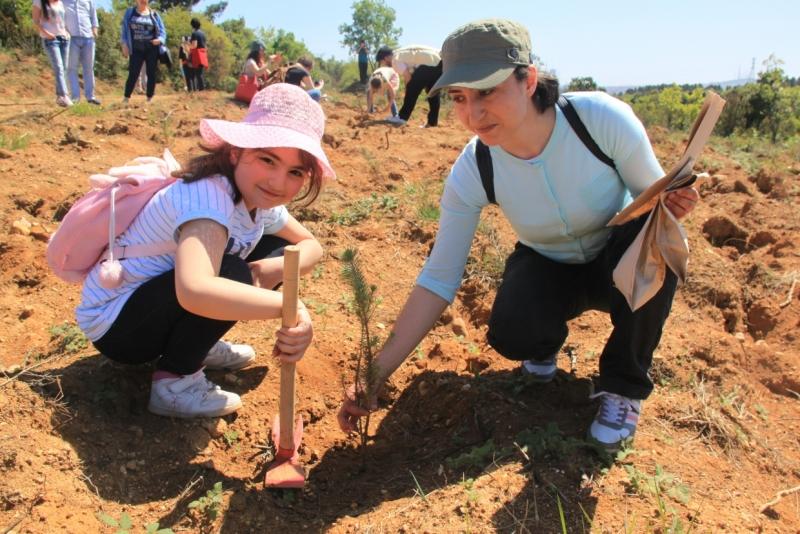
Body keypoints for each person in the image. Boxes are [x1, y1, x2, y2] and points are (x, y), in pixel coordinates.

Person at [338, 19, 700, 452]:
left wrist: (673, 204)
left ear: (528, 80)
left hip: (615, 264)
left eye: (487, 91)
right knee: (511, 333)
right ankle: (541, 345)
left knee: (653, 235)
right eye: (459, 98)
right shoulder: (475, 168)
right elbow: (439, 278)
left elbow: (654, 202)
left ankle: (623, 388)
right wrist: (376, 374)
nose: (473, 114)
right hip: (549, 265)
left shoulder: (600, 121)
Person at [74, 84, 336, 418]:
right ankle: (175, 383)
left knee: (275, 251)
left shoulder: (259, 199)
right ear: (236, 152)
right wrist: (291, 307)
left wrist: (270, 271)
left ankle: (193, 343)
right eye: (267, 159)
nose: (278, 182)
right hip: (118, 326)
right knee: (232, 273)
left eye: (295, 172)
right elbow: (195, 289)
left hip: (152, 305)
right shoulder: (208, 197)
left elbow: (310, 246)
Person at [120, 0, 166, 103]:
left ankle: (149, 98)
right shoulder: (130, 12)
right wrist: (124, 44)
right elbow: (124, 30)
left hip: (151, 49)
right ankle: (126, 97)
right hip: (136, 49)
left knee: (151, 73)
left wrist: (160, 40)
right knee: (133, 73)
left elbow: (163, 31)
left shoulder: (154, 14)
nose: (143, 1)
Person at [32, 0, 72, 107]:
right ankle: (64, 95)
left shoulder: (60, 2)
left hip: (64, 39)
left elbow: (62, 20)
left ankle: (60, 97)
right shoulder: (39, 2)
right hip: (50, 40)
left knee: (64, 68)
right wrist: (46, 33)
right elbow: (35, 21)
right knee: (58, 67)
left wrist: (67, 32)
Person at [63, 0, 100, 105]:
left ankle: (90, 97)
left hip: (88, 38)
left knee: (89, 68)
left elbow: (93, 16)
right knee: (71, 69)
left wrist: (94, 31)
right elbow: (59, 16)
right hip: (71, 38)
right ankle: (75, 98)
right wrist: (64, 31)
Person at [389, 61, 442, 127]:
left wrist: (407, 89)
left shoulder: (397, 60)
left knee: (411, 93)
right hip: (438, 67)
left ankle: (402, 118)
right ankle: (432, 123)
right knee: (433, 94)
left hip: (423, 68)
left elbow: (407, 76)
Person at [366, 46, 399, 118]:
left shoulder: (387, 79)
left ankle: (396, 115)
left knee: (389, 93)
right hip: (382, 78)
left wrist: (388, 107)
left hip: (390, 79)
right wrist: (368, 110)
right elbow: (370, 95)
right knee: (368, 91)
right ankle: (370, 111)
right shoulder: (372, 80)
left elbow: (392, 94)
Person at [188, 17, 207, 92]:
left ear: (192, 25)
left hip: (197, 54)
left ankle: (201, 89)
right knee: (200, 72)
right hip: (203, 53)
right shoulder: (203, 34)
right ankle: (201, 88)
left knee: (197, 73)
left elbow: (194, 45)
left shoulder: (194, 33)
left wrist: (188, 46)